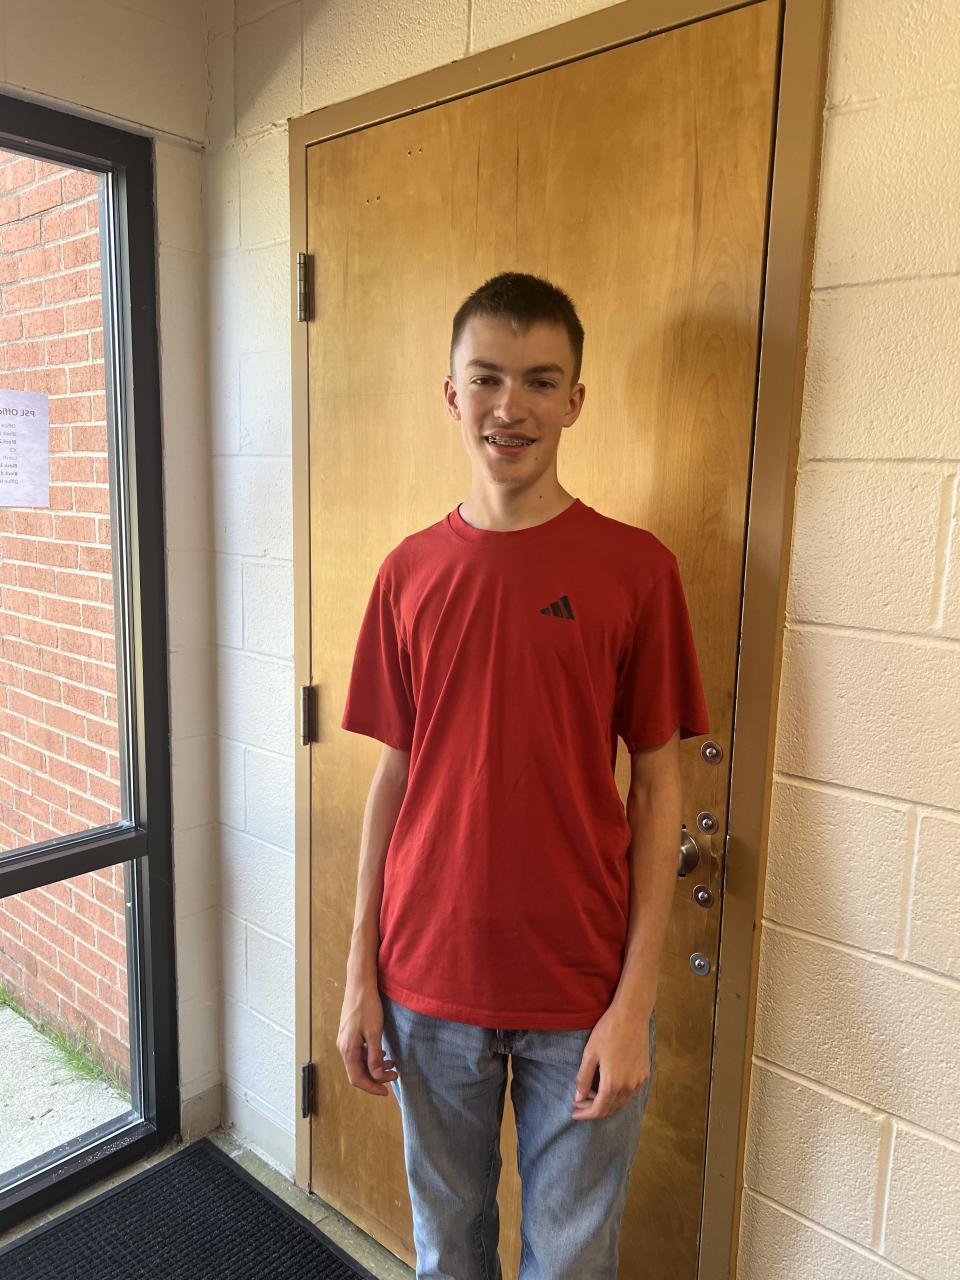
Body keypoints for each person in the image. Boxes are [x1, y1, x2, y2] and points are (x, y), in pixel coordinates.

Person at [337, 272, 710, 1279]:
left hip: (581, 990)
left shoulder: (636, 570)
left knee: (571, 1264)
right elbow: (394, 778)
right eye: (488, 378)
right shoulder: (409, 571)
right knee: (446, 1255)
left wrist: (634, 1003)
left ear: (575, 400)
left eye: (542, 381)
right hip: (428, 982)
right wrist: (359, 974)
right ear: (452, 394)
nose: (512, 406)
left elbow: (658, 789)